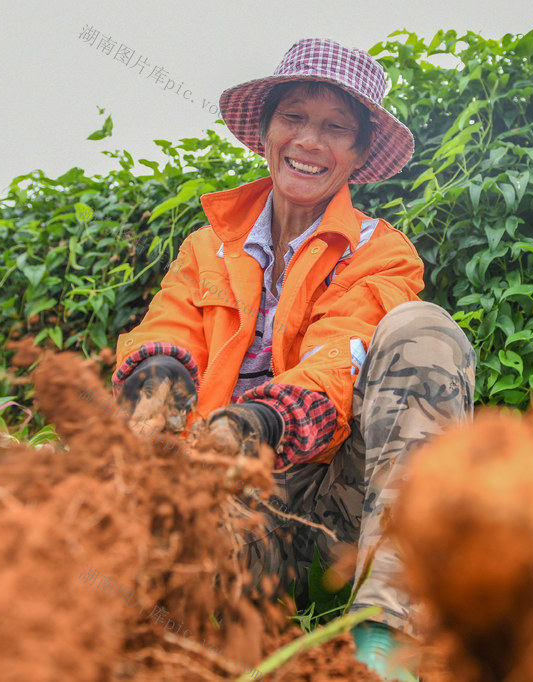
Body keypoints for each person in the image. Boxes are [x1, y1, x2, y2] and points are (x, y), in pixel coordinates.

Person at [112, 38, 476, 681]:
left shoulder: (381, 253)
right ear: (266, 132)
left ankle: (385, 642)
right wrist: (157, 382)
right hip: (231, 517)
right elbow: (166, 328)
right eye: (295, 118)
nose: (310, 140)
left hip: (329, 512)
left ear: (359, 155)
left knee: (426, 331)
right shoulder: (207, 248)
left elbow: (340, 358)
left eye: (336, 128)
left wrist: (254, 424)